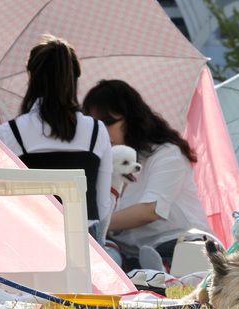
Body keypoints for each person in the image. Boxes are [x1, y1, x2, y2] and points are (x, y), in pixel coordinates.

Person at [82, 79, 212, 271]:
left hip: (179, 245)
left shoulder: (167, 153)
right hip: (129, 253)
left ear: (132, 119)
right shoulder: (103, 165)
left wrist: (93, 225)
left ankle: (159, 272)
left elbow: (150, 210)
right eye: (95, 126)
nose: (102, 132)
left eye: (108, 123)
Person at [0, 34, 112, 242]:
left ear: (31, 76)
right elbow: (102, 204)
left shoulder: (9, 133)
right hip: (85, 240)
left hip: (32, 237)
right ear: (74, 78)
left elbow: (5, 201)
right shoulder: (97, 130)